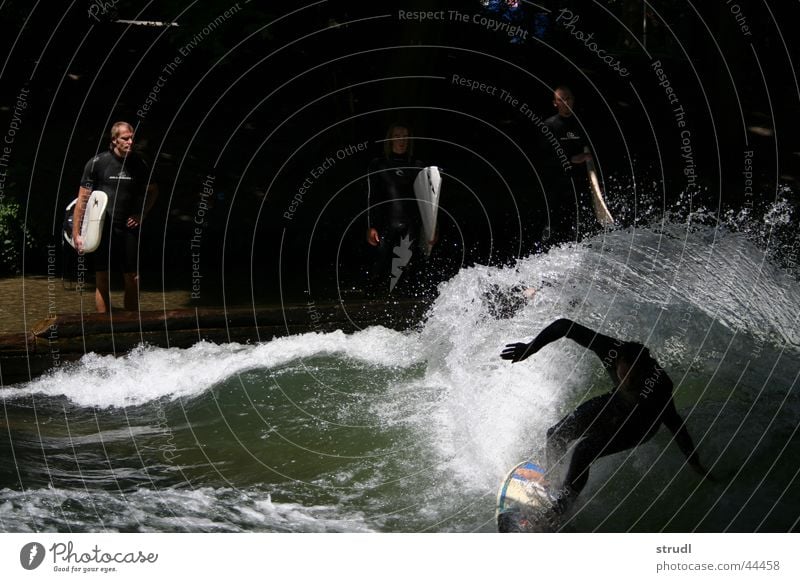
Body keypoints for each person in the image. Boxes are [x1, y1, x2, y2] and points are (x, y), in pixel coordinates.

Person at [501, 318, 714, 514]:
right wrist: (530, 348)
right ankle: (551, 482)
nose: (629, 381)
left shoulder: (659, 384)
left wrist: (694, 462)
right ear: (619, 361)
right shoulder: (610, 349)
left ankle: (563, 507)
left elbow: (675, 423)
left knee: (585, 450)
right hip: (617, 402)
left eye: (635, 379)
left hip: (642, 425)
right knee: (556, 433)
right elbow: (564, 326)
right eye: (624, 375)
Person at [73, 121, 158, 312]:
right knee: (102, 277)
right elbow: (82, 200)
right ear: (114, 140)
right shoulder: (97, 163)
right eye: (125, 138)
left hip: (128, 228)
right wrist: (76, 234)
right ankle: (104, 326)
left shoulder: (139, 164)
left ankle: (131, 326)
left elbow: (153, 191)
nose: (130, 142)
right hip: (102, 228)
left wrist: (141, 213)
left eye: (132, 138)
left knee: (133, 278)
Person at [365, 122, 435, 296]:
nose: (402, 140)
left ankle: (407, 304)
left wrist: (433, 227)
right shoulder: (378, 164)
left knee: (410, 269)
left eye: (405, 136)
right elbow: (372, 196)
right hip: (386, 223)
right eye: (397, 136)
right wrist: (371, 226)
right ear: (390, 140)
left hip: (412, 223)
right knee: (379, 265)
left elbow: (428, 200)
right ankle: (371, 300)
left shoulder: (418, 165)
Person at [542, 86, 594, 242]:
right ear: (555, 103)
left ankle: (582, 253)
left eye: (568, 98)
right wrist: (571, 159)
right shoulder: (549, 125)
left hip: (581, 181)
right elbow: (544, 155)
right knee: (554, 222)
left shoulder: (583, 124)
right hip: (557, 181)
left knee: (581, 221)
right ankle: (547, 252)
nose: (565, 102)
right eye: (560, 99)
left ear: (573, 100)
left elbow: (593, 152)